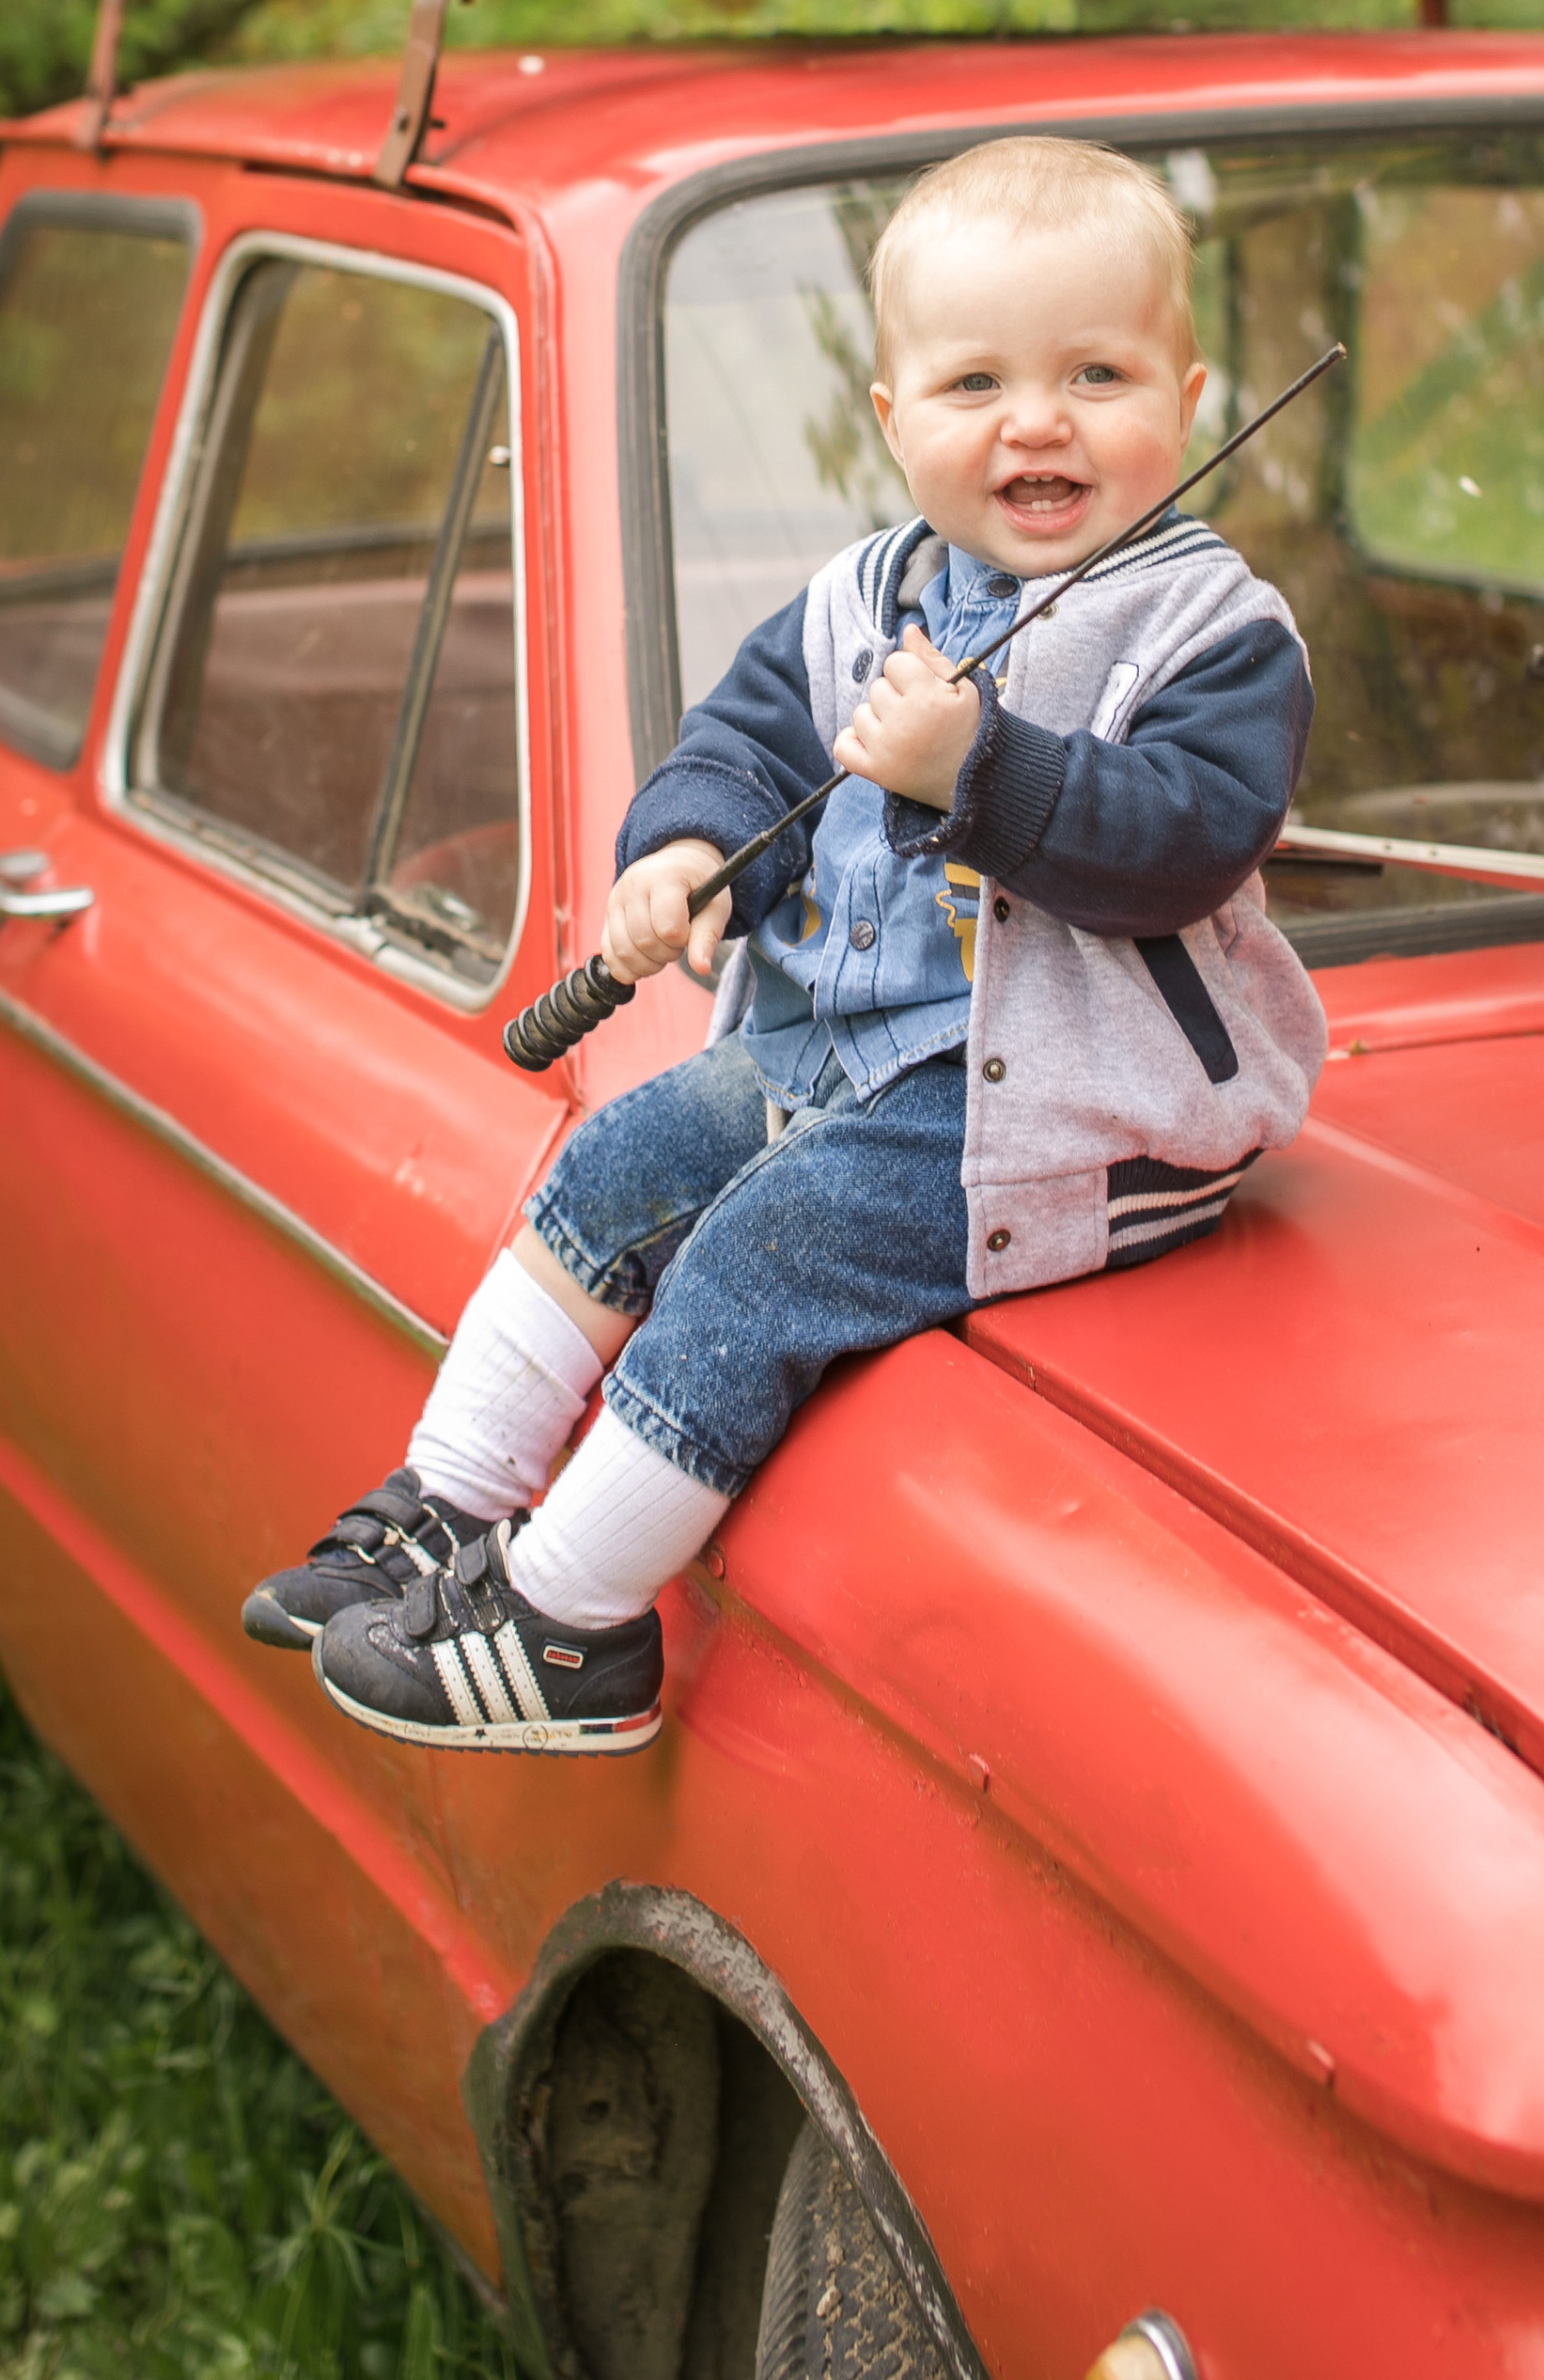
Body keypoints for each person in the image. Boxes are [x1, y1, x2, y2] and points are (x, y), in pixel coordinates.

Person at [244, 134, 1328, 1754]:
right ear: (895, 423)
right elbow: (746, 748)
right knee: (617, 1162)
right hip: (832, 1058)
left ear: (1186, 398)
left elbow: (1190, 838)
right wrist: (682, 854)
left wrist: (982, 773)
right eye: (976, 383)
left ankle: (570, 1625)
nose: (1037, 420)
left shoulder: (1210, 628)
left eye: (1096, 373)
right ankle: (447, 1507)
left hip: (1065, 1115)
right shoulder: (858, 599)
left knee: (770, 1248)